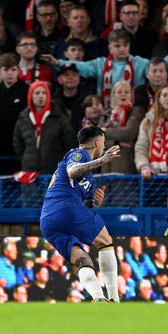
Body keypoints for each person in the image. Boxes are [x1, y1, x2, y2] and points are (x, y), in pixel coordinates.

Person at [39, 126, 121, 302]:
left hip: (48, 220)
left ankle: (99, 299)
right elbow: (72, 171)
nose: (104, 147)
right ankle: (114, 298)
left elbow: (82, 198)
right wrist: (103, 160)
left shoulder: (88, 176)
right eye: (104, 143)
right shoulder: (79, 153)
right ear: (98, 142)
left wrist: (95, 201)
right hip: (65, 206)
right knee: (105, 242)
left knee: (83, 260)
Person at [45, 30, 152, 109]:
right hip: (106, 110)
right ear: (110, 48)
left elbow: (158, 68)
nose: (122, 49)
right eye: (117, 46)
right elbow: (81, 66)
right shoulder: (100, 63)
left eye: (125, 45)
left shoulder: (141, 63)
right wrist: (59, 62)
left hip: (134, 110)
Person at [13, 80, 76, 174]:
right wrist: (27, 158)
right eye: (37, 93)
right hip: (29, 171)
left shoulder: (59, 118)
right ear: (31, 96)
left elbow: (70, 143)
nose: (41, 96)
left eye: (44, 93)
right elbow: (17, 143)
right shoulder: (23, 119)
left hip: (54, 171)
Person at [0, 53, 29, 173]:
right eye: (6, 70)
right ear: (0, 70)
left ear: (18, 70)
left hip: (19, 146)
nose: (10, 73)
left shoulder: (26, 90)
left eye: (13, 69)